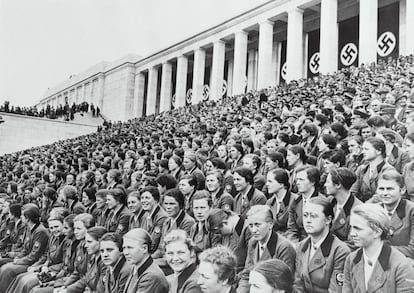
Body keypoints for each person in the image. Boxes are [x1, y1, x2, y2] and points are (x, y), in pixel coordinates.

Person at [343, 203, 414, 293]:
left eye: (358, 228)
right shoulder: (352, 259)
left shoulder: (400, 265)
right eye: (351, 227)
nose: (352, 233)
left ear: (377, 232)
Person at [294, 197, 350, 292]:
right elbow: (298, 284)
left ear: (328, 220)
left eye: (313, 216)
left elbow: (336, 290)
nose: (308, 220)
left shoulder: (340, 251)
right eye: (305, 215)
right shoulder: (301, 246)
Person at [237, 205, 296, 293]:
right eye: (251, 225)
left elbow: (285, 284)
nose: (253, 230)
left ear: (270, 224)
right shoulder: (253, 242)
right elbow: (246, 274)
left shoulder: (284, 247)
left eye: (257, 225)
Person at [0, 204, 49, 293]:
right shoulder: (28, 228)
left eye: (22, 215)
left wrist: (19, 261)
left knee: (7, 270)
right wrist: (18, 257)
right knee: (5, 268)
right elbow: (25, 249)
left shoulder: (40, 231)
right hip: (26, 259)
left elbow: (34, 256)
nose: (21, 217)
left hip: (33, 263)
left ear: (28, 218)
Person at [372, 170, 414, 262]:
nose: (385, 193)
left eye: (390, 189)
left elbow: (412, 250)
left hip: (404, 263)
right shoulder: (374, 210)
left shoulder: (411, 211)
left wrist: (378, 249)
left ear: (402, 190)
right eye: (381, 189)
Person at [152, 188, 195, 267]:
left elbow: (181, 251)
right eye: (166, 203)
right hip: (164, 260)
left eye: (172, 204)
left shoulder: (188, 222)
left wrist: (154, 263)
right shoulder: (167, 221)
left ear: (180, 205)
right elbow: (161, 248)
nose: (168, 207)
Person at [122, 228, 169, 293]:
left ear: (144, 248)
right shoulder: (136, 267)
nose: (126, 252)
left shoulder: (151, 276)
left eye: (130, 248)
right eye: (124, 248)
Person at [350, 137, 395, 202]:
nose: (363, 152)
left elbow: (380, 195)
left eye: (366, 149)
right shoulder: (361, 169)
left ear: (379, 151)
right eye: (363, 149)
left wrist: (364, 207)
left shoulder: (389, 170)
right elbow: (353, 191)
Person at [64, 226, 107, 293]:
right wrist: (67, 289)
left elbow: (100, 290)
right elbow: (86, 278)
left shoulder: (104, 263)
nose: (85, 245)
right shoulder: (92, 257)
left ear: (100, 242)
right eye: (86, 242)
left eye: (89, 242)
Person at [324, 167, 361, 243]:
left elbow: (352, 244)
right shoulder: (329, 202)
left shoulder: (358, 210)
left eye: (328, 182)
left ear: (338, 185)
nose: (325, 185)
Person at [286, 166, 322, 243]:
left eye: (301, 180)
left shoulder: (321, 202)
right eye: (296, 180)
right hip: (298, 242)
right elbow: (292, 229)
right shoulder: (295, 202)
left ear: (313, 182)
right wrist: (294, 244)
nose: (298, 183)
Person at [139, 186, 168, 252]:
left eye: (147, 198)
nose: (143, 201)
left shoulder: (162, 217)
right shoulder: (145, 216)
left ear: (156, 200)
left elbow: (154, 243)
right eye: (142, 198)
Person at [266, 169, 293, 233]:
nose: (267, 184)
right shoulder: (269, 202)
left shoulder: (294, 201)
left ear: (281, 184)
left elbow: (293, 230)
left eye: (270, 181)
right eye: (267, 181)